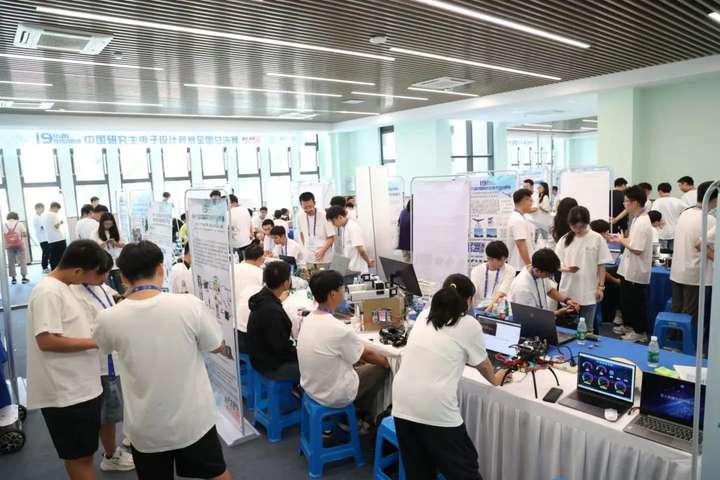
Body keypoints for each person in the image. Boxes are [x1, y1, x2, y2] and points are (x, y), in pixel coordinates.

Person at [94, 241, 230, 480]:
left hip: (146, 426)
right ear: (161, 268)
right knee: (216, 474)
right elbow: (215, 345)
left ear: (123, 277)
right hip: (193, 419)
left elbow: (103, 347)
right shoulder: (188, 305)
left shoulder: (108, 317)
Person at [392, 273, 509, 480]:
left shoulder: (424, 314)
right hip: (434, 406)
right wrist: (496, 379)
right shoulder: (469, 324)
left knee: (418, 472)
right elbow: (484, 365)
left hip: (402, 402)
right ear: (468, 300)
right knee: (465, 470)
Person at [26, 240, 109, 479]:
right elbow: (47, 341)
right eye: (95, 273)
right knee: (80, 459)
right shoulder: (48, 291)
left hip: (80, 388)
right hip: (66, 394)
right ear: (78, 271)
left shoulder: (64, 287)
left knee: (84, 455)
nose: (99, 279)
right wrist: (96, 342)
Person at [70, 251, 135, 472]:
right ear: (82, 270)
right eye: (101, 273)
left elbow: (112, 298)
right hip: (100, 364)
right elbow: (91, 331)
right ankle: (110, 455)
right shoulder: (74, 294)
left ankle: (121, 442)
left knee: (115, 408)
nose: (105, 277)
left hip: (112, 359)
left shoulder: (98, 286)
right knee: (108, 413)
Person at [298, 270, 389, 424]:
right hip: (333, 395)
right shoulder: (338, 328)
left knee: (355, 361)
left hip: (311, 387)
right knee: (380, 368)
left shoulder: (309, 318)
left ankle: (354, 415)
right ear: (332, 294)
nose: (344, 291)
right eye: (342, 288)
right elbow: (366, 355)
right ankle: (358, 416)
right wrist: (386, 362)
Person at [670, 181, 717, 348]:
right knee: (691, 316)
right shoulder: (709, 219)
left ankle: (673, 344)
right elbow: (700, 245)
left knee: (677, 312)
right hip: (695, 275)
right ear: (714, 199)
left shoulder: (685, 214)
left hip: (678, 272)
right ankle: (688, 349)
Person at [555, 206, 613, 331]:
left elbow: (601, 265)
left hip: (589, 290)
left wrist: (601, 287)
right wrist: (566, 269)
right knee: (567, 329)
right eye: (574, 226)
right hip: (569, 289)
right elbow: (556, 264)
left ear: (587, 223)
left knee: (587, 328)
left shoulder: (597, 238)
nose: (577, 230)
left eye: (581, 226)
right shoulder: (564, 240)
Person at [614, 185, 655, 342]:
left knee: (635, 302)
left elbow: (637, 249)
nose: (624, 204)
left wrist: (622, 241)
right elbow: (633, 241)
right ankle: (630, 326)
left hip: (636, 270)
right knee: (627, 300)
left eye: (626, 201)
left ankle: (639, 332)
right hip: (629, 269)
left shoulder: (643, 222)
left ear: (635, 202)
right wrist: (620, 240)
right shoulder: (637, 218)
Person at [247, 261, 299, 381]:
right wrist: (302, 355)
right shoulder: (272, 311)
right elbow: (282, 348)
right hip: (271, 366)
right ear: (286, 283)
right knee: (314, 366)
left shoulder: (261, 297)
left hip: (258, 357)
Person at [508, 249, 580, 317]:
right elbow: (531, 316)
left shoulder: (537, 271)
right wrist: (557, 313)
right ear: (537, 270)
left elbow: (550, 290)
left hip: (539, 317)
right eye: (549, 274)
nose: (550, 276)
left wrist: (567, 300)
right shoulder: (522, 288)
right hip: (527, 321)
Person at [590, 219, 623, 331]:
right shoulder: (596, 244)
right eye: (605, 233)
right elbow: (601, 269)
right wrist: (613, 281)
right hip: (594, 283)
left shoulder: (597, 242)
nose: (607, 235)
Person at [233, 244, 265, 353]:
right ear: (260, 258)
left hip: (232, 321)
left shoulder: (232, 268)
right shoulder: (261, 273)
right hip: (249, 323)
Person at [326, 205, 375, 274]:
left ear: (340, 217)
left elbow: (361, 250)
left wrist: (368, 262)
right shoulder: (344, 227)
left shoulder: (352, 227)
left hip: (357, 269)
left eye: (333, 221)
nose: (333, 224)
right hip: (350, 268)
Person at [469, 241, 515, 313]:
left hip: (498, 310)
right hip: (479, 308)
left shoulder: (510, 270)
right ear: (489, 258)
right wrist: (472, 312)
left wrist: (487, 311)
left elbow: (501, 293)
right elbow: (472, 293)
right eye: (500, 260)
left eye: (505, 259)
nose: (503, 263)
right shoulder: (477, 270)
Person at [297, 192, 336, 265]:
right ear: (301, 205)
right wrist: (306, 248)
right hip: (309, 257)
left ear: (314, 203)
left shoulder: (324, 215)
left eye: (310, 206)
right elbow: (302, 233)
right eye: (305, 207)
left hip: (324, 257)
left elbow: (331, 237)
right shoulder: (300, 216)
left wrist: (323, 250)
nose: (308, 210)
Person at [92, 212, 126, 294]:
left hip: (116, 262)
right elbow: (93, 248)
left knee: (121, 285)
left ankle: (122, 297)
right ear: (101, 223)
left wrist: (116, 244)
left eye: (110, 224)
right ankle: (113, 298)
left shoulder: (117, 231)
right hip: (104, 262)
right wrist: (104, 243)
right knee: (108, 286)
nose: (108, 226)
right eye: (106, 224)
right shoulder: (95, 232)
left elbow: (124, 244)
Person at [507, 189, 536, 272]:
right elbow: (521, 245)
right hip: (520, 267)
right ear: (524, 200)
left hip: (521, 266)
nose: (532, 203)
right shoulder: (518, 220)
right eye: (530, 200)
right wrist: (529, 266)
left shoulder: (521, 217)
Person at [651, 183, 686, 250]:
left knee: (661, 254)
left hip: (661, 232)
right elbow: (688, 210)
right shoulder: (678, 201)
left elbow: (653, 215)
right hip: (675, 232)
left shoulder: (657, 202)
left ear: (660, 191)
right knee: (674, 253)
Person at [4, 212, 29, 284]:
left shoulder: (4, 225)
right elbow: (24, 234)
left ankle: (13, 279)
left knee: (11, 262)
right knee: (22, 261)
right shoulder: (19, 224)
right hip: (19, 245)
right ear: (16, 217)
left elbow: (3, 235)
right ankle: (24, 278)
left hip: (9, 246)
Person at [229, 194, 254, 261]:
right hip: (247, 240)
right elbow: (250, 223)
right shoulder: (245, 209)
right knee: (246, 259)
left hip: (238, 242)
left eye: (228, 203)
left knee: (239, 259)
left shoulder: (232, 211)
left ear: (234, 203)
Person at [45, 201, 67, 270]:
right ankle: (62, 270)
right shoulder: (53, 214)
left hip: (50, 239)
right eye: (57, 209)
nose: (57, 211)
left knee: (53, 257)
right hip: (58, 239)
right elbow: (56, 226)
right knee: (62, 256)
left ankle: (54, 270)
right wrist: (60, 222)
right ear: (54, 207)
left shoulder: (44, 215)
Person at [33, 202, 50, 272]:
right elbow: (42, 227)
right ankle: (44, 267)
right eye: (42, 208)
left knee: (47, 251)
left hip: (45, 237)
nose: (43, 210)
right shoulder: (36, 218)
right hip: (42, 238)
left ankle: (46, 266)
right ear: (37, 208)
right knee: (46, 252)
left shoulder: (41, 216)